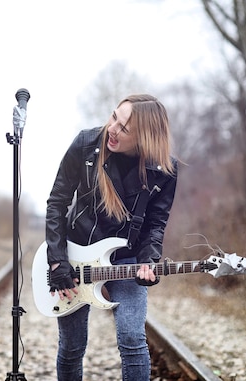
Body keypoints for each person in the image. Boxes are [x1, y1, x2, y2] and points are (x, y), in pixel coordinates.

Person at [45, 94, 178, 380]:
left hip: (126, 258)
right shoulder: (85, 144)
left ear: (144, 138)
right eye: (114, 117)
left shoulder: (164, 171)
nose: (113, 129)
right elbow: (57, 202)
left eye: (124, 128)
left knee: (133, 339)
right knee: (71, 347)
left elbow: (156, 222)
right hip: (76, 254)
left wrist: (149, 260)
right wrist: (57, 262)